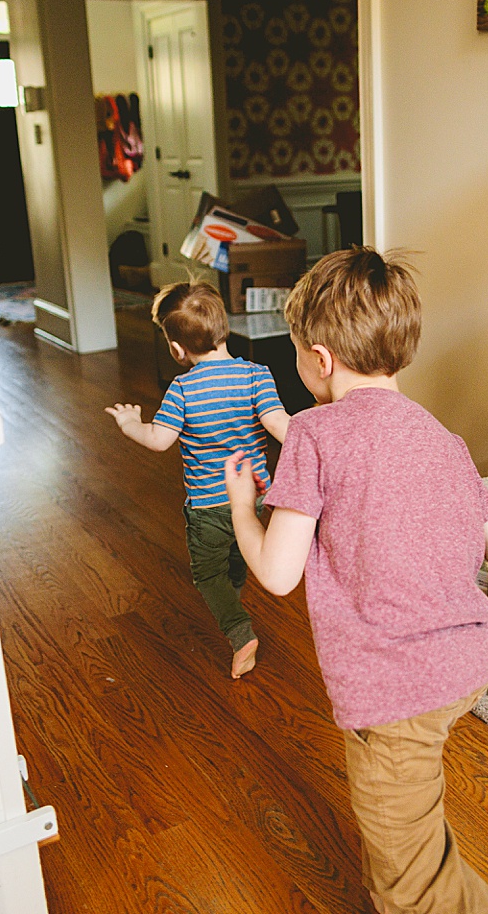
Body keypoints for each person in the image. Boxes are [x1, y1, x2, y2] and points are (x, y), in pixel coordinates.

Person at [221, 248, 488, 913]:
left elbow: (276, 574)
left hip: (394, 694)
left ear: (320, 359)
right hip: (464, 666)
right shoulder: (441, 437)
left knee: (408, 884)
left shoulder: (313, 434)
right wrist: (484, 645)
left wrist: (245, 509)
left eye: (296, 351)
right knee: (412, 825)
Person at [106, 281, 290, 679]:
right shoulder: (258, 376)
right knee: (240, 554)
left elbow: (158, 439)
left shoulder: (183, 389)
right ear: (224, 328)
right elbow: (280, 426)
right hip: (255, 497)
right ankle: (233, 597)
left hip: (208, 505)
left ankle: (238, 630)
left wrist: (130, 424)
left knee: (208, 573)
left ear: (176, 349)